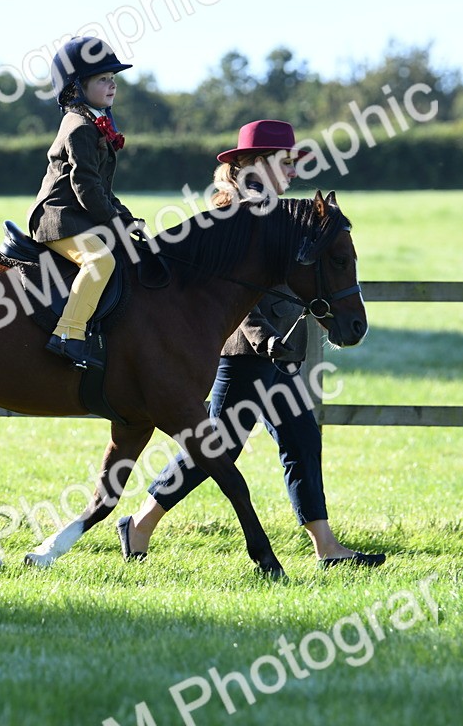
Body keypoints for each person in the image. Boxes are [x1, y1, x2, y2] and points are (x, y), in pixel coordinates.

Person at [116, 119, 386, 568]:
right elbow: (235, 295)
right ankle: (139, 523)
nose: (294, 171)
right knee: (217, 448)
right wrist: (265, 340)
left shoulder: (277, 213)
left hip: (280, 355)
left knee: (300, 440)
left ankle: (327, 548)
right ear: (255, 164)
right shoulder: (240, 216)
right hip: (244, 353)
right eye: (287, 162)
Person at [26, 36, 144, 371]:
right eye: (103, 80)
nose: (112, 86)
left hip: (77, 215)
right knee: (100, 261)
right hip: (58, 218)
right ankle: (68, 335)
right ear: (77, 88)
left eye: (113, 80)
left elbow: (102, 189)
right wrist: (114, 222)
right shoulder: (79, 126)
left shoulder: (92, 121)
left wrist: (126, 217)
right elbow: (86, 186)